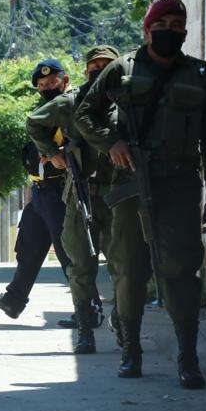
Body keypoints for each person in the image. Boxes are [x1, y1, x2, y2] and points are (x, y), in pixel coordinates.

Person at [74, 0, 206, 388]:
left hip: (179, 185)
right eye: (164, 23)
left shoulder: (199, 76)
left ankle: (188, 357)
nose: (172, 30)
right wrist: (112, 142)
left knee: (180, 270)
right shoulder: (120, 69)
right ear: (147, 29)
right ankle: (131, 352)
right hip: (129, 184)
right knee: (129, 269)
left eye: (179, 24)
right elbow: (84, 114)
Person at [27, 46, 121, 354]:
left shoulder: (130, 102)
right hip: (80, 194)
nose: (98, 70)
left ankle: (123, 322)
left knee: (124, 267)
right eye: (93, 66)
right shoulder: (70, 102)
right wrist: (53, 154)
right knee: (80, 267)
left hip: (120, 197)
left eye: (106, 65)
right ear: (84, 71)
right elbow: (35, 122)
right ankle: (85, 331)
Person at [0, 59, 72, 319]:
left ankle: (89, 309)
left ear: (64, 82)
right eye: (42, 85)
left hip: (62, 192)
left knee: (68, 254)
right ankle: (13, 301)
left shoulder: (70, 110)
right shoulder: (43, 112)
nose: (47, 88)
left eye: (53, 82)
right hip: (40, 193)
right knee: (29, 247)